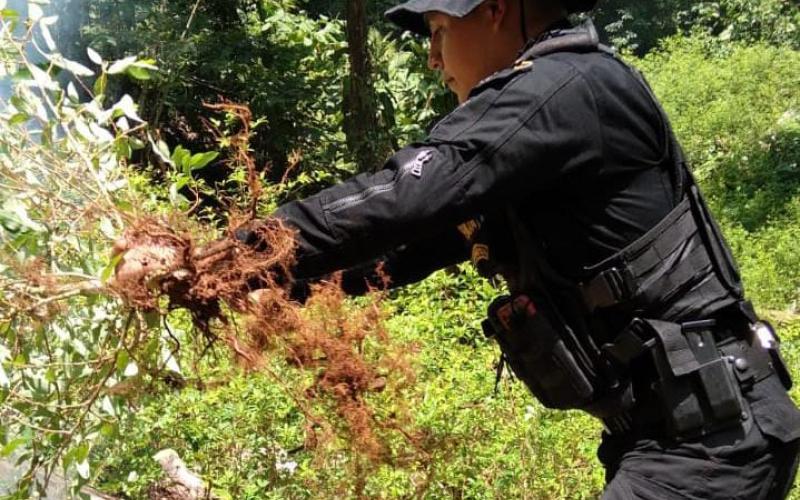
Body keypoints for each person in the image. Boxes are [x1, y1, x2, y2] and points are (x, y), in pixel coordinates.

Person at [114, 0, 800, 497]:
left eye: (441, 31)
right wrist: (274, 281)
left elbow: (403, 195)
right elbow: (402, 248)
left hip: (711, 443)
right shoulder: (542, 133)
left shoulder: (565, 89)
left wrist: (217, 258)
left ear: (498, 10)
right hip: (682, 435)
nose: (435, 58)